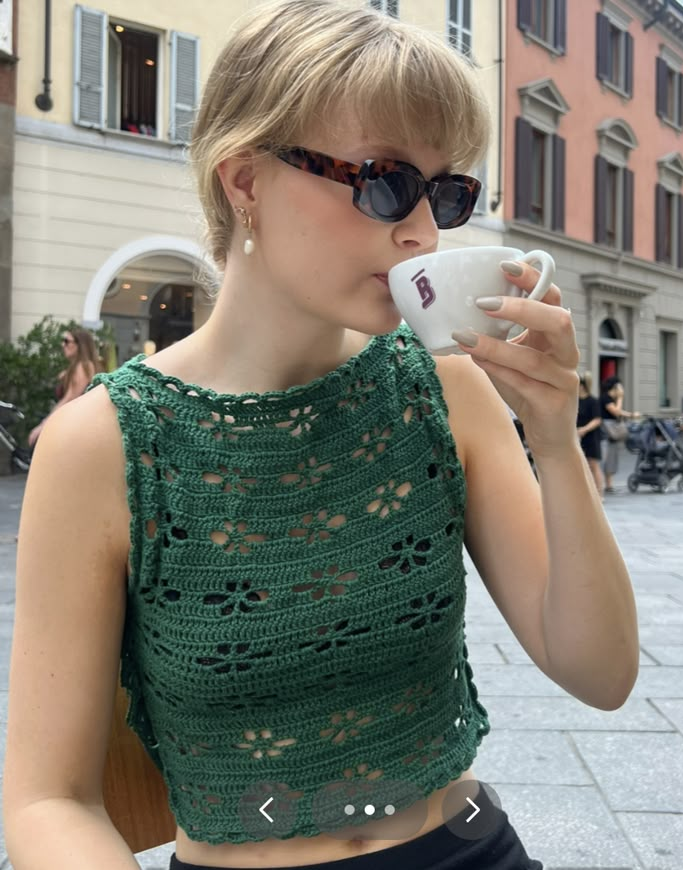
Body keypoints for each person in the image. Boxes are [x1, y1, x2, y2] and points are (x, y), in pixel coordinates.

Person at [3, 3, 639, 869]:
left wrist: (557, 443)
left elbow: (600, 675)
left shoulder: (446, 391)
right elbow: (49, 798)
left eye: (448, 192)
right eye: (383, 179)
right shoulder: (106, 444)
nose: (423, 231)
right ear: (245, 181)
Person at [27, 327, 104, 448]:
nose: (63, 345)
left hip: (77, 429)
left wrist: (43, 426)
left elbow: (69, 399)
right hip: (75, 426)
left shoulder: (84, 367)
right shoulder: (78, 367)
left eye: (67, 341)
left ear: (80, 345)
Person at [600, 376, 639, 494]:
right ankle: (598, 485)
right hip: (605, 433)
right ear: (615, 388)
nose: (622, 391)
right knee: (603, 459)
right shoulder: (605, 398)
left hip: (611, 433)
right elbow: (616, 412)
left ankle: (609, 485)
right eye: (620, 388)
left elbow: (619, 412)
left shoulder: (609, 399)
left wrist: (631, 415)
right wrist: (621, 398)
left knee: (611, 458)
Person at [577, 372, 603, 499]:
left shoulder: (593, 401)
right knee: (581, 465)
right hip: (577, 436)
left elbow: (597, 420)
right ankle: (585, 493)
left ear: (582, 386)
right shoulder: (574, 401)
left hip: (591, 436)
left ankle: (599, 494)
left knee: (593, 464)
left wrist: (584, 429)